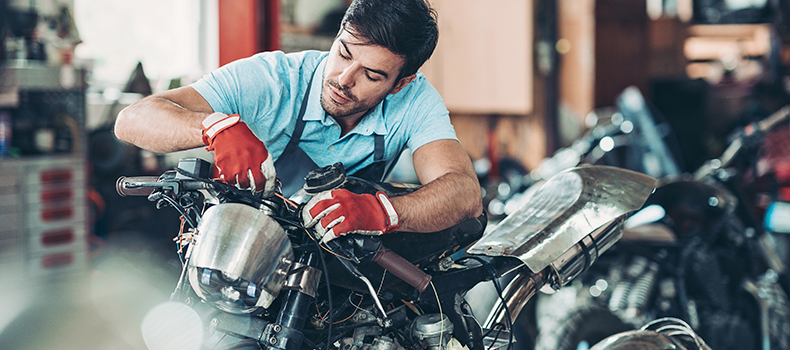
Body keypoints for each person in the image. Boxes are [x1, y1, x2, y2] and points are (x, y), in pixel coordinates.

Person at [115, 0, 482, 243]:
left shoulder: (415, 100)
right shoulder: (273, 78)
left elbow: (464, 194)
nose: (343, 79)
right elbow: (131, 119)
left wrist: (384, 211)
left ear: (401, 83)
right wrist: (213, 127)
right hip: (244, 247)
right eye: (343, 53)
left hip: (337, 257)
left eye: (371, 75)